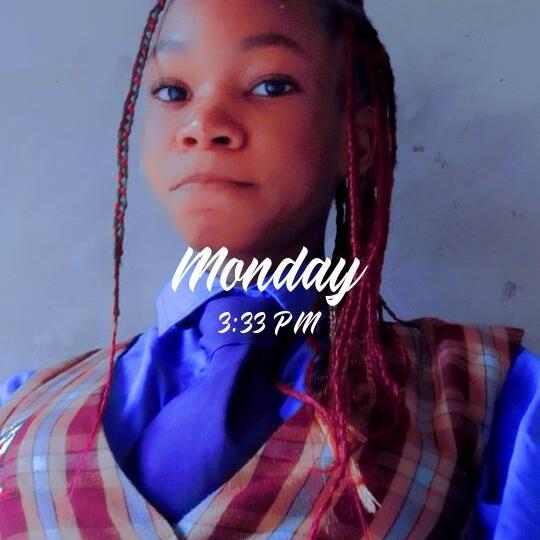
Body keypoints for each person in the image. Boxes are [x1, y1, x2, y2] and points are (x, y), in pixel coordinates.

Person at [0, 1, 538, 538]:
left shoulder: (487, 398)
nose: (203, 124)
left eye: (270, 86)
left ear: (359, 138)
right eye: (173, 91)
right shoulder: (22, 405)